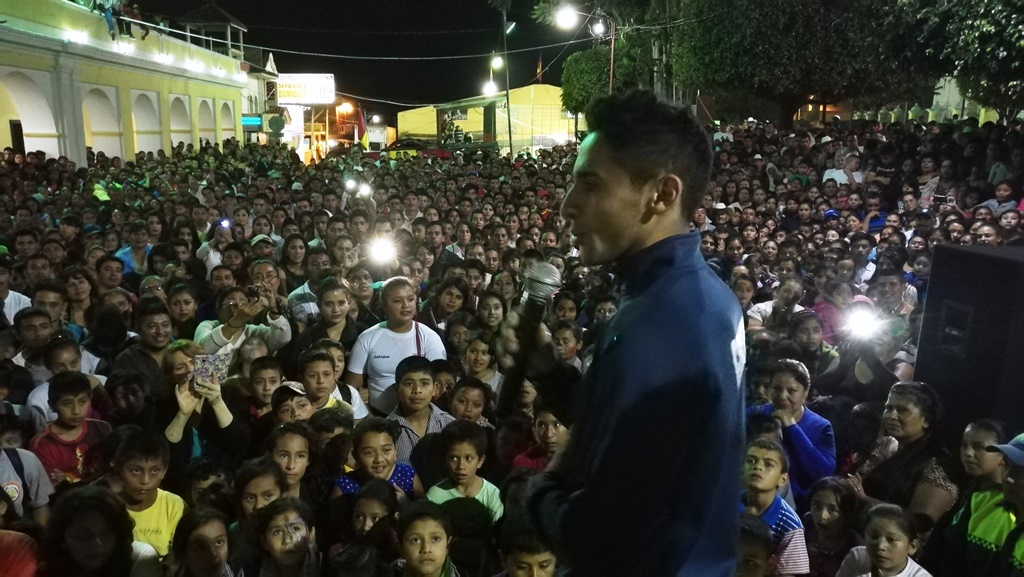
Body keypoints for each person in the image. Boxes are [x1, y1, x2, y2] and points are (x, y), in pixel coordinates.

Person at [522, 90, 745, 576]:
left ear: (662, 194)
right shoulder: (706, 296)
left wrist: (539, 495)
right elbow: (632, 430)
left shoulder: (659, 326)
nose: (566, 206)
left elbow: (601, 539)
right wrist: (551, 375)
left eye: (590, 185)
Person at [346, 277, 447, 414]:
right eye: (397, 301)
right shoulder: (368, 337)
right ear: (384, 305)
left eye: (410, 299)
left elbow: (439, 383)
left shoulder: (429, 337)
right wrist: (368, 417)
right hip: (377, 416)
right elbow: (352, 386)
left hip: (419, 415)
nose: (406, 305)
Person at [747, 359, 836, 511]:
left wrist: (792, 427)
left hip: (798, 508)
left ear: (806, 391)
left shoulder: (821, 426)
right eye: (776, 388)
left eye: (792, 391)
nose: (782, 396)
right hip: (750, 501)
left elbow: (822, 473)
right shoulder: (755, 414)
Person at [44, 485, 163, 577]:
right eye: (84, 536)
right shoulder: (47, 567)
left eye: (106, 533)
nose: (98, 544)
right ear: (62, 539)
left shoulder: (140, 559)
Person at [739, 439, 811, 577]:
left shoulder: (791, 526)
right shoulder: (725, 506)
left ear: (782, 479)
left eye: (768, 464)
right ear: (742, 470)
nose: (758, 467)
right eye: (751, 461)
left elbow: (786, 575)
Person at [28, 371, 112, 485]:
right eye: (67, 404)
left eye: (82, 401)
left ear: (90, 399)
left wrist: (67, 479)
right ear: (52, 405)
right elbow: (53, 489)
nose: (76, 411)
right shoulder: (42, 445)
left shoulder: (102, 429)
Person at [113, 432, 186, 559]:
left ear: (165, 471)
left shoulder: (174, 504)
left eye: (155, 470)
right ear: (119, 470)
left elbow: (180, 554)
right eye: (136, 471)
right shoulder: (109, 507)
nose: (145, 480)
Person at [426, 420, 503, 522]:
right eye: (453, 458)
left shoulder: (492, 495)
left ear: (480, 461)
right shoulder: (434, 495)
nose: (461, 466)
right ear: (444, 459)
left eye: (468, 458)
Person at [331, 417, 422, 499]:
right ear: (355, 456)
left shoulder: (408, 475)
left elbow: (424, 512)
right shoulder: (344, 485)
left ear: (396, 450)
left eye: (386, 450)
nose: (379, 459)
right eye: (369, 453)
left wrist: (406, 505)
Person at [386, 356, 455, 465]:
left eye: (424, 383)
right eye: (409, 384)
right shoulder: (386, 428)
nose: (417, 390)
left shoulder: (449, 424)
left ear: (435, 388)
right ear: (396, 389)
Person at [836, 504, 932, 577]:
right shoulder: (857, 557)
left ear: (912, 546)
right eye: (874, 536)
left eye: (891, 539)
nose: (880, 546)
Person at [394, 500, 461, 577]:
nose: (426, 549)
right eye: (415, 540)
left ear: (448, 545)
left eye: (435, 539)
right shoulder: (391, 572)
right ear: (401, 548)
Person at [171, 507, 234, 577]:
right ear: (183, 553)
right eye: (200, 547)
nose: (213, 554)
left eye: (219, 542)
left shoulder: (230, 571)